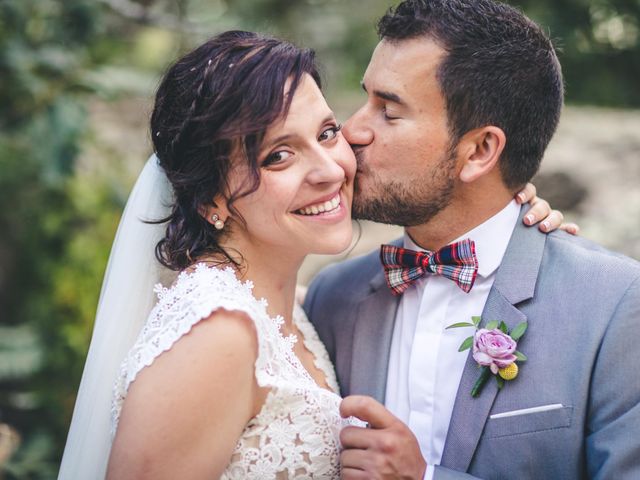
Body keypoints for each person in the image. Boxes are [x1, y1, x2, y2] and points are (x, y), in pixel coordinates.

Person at [58, 29, 561, 480]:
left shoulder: (304, 305)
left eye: (325, 133)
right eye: (278, 155)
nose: (331, 169)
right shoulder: (218, 334)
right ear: (211, 198)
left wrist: (501, 210)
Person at [304, 1, 640, 479]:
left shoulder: (615, 305)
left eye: (389, 111)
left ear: (480, 151)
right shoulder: (330, 298)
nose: (353, 129)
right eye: (366, 99)